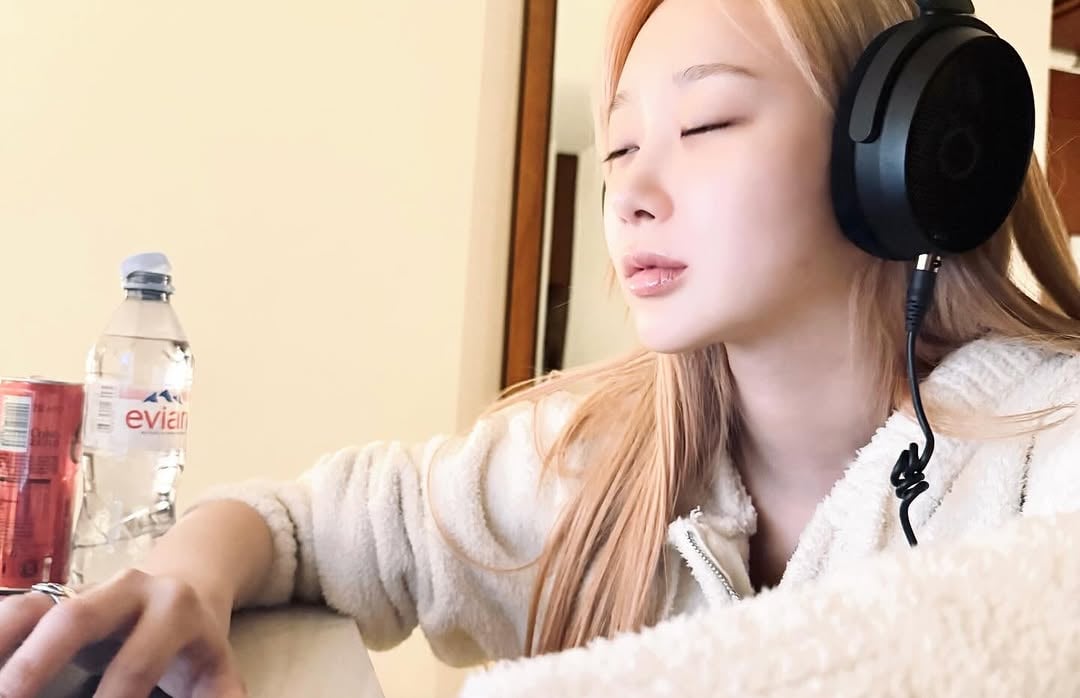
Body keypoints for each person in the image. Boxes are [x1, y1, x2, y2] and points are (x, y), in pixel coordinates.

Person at [4, 0, 1080, 695]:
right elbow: (304, 522)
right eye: (619, 148)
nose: (632, 193)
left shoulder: (1051, 452)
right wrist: (185, 574)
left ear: (905, 155)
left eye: (706, 127)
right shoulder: (595, 459)